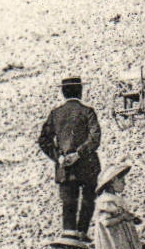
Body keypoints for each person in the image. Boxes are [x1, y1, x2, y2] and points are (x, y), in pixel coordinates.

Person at [38, 76, 102, 235]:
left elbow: (44, 140)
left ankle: (69, 235)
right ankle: (82, 233)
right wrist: (79, 154)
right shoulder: (88, 111)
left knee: (68, 203)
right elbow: (95, 138)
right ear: (80, 91)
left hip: (65, 167)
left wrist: (58, 157)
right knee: (88, 201)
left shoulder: (55, 114)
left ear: (63, 92)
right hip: (87, 165)